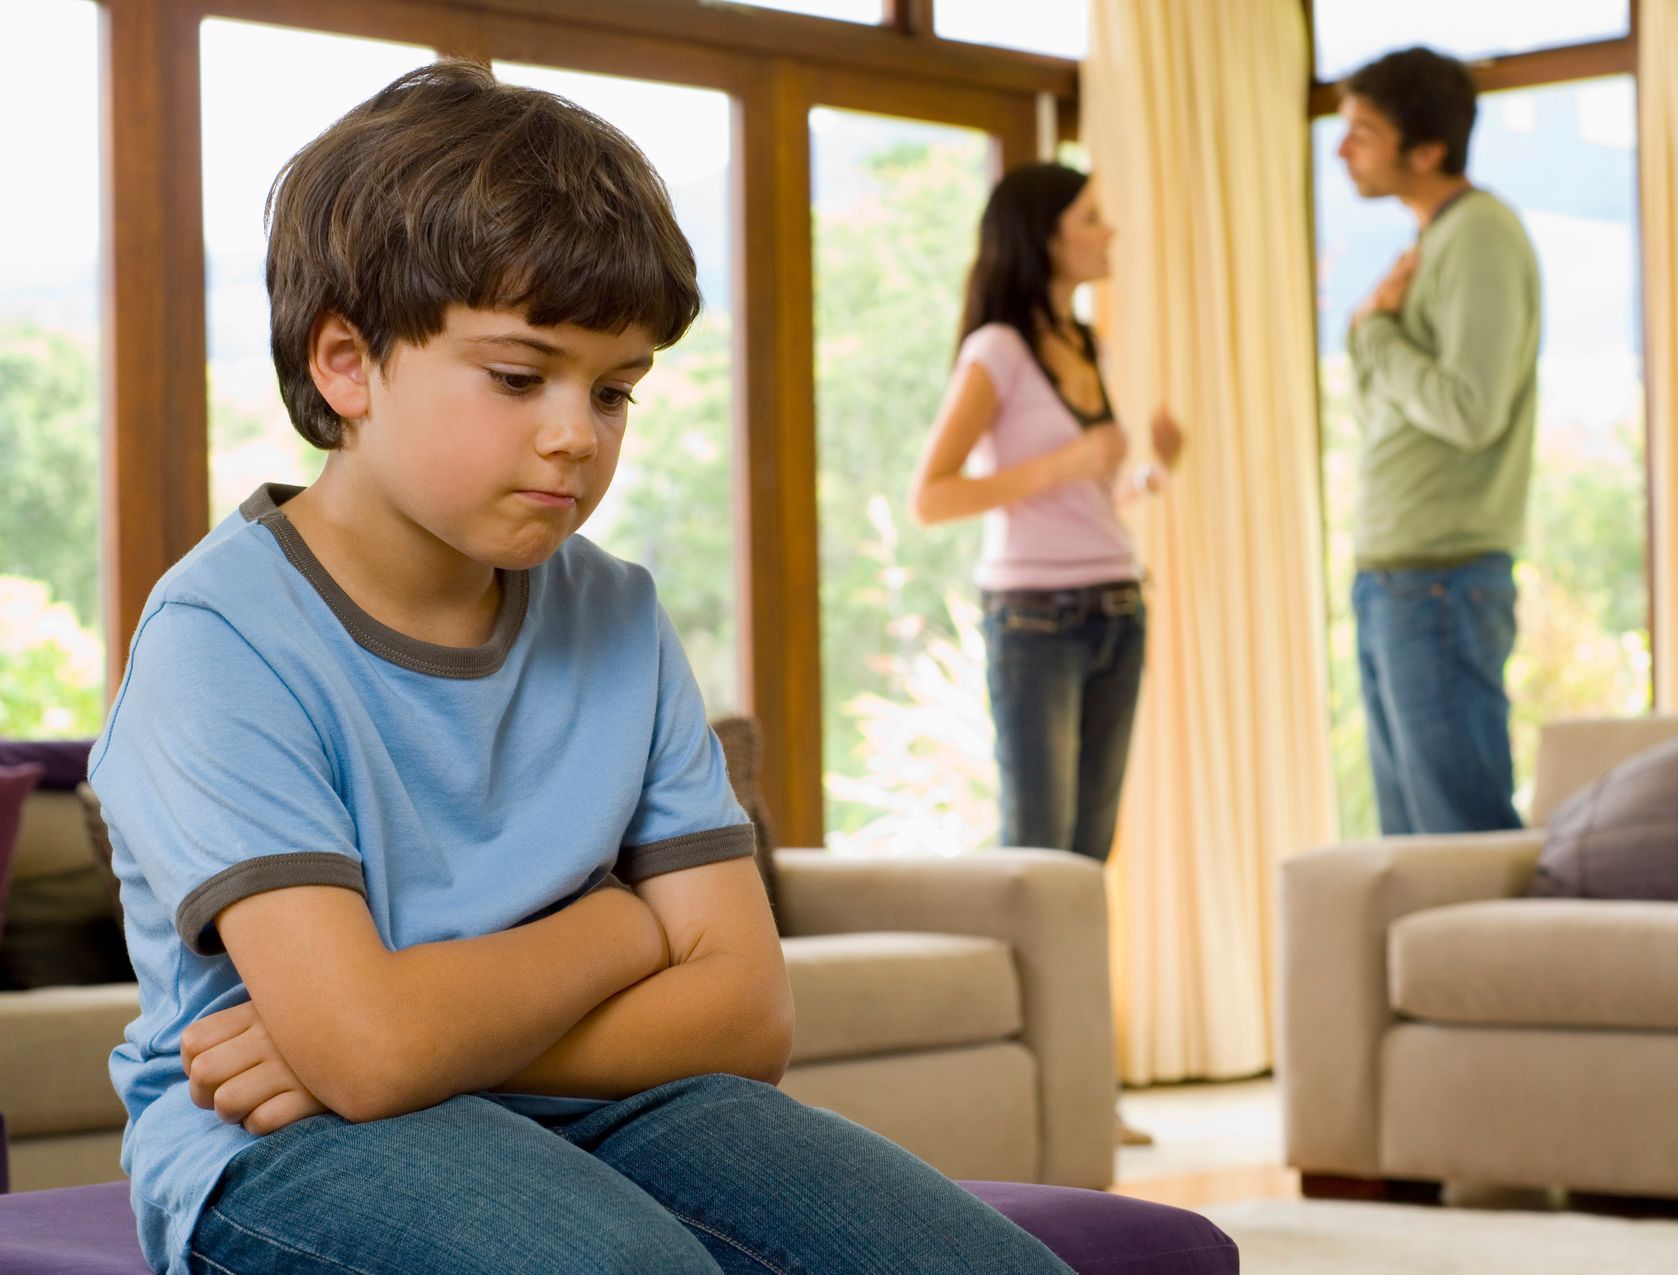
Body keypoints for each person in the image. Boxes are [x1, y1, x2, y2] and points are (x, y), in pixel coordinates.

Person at [88, 61, 1071, 1275]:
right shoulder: (220, 638)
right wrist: (615, 931)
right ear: (346, 363)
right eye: (519, 376)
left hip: (604, 1107)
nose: (577, 435)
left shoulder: (618, 612)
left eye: (615, 391)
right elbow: (367, 1062)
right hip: (283, 1137)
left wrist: (412, 1028)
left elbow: (747, 1016)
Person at [909, 162, 1182, 866]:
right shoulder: (997, 349)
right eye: (1090, 218)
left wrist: (1153, 473)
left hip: (1119, 608)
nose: (1108, 230)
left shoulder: (1093, 345)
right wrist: (1069, 462)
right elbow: (932, 495)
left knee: (1093, 853)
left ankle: (1082, 985)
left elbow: (1088, 497)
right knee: (1038, 853)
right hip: (1035, 619)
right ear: (1045, 239)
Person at [1336, 46, 1542, 836]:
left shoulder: (1480, 236)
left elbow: (1469, 409)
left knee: (1462, 840)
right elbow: (1387, 411)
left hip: (1440, 582)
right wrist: (1374, 333)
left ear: (1425, 150)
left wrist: (1378, 333)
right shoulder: (1432, 242)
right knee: (1414, 847)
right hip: (1398, 578)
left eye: (1362, 131)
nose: (1341, 148)